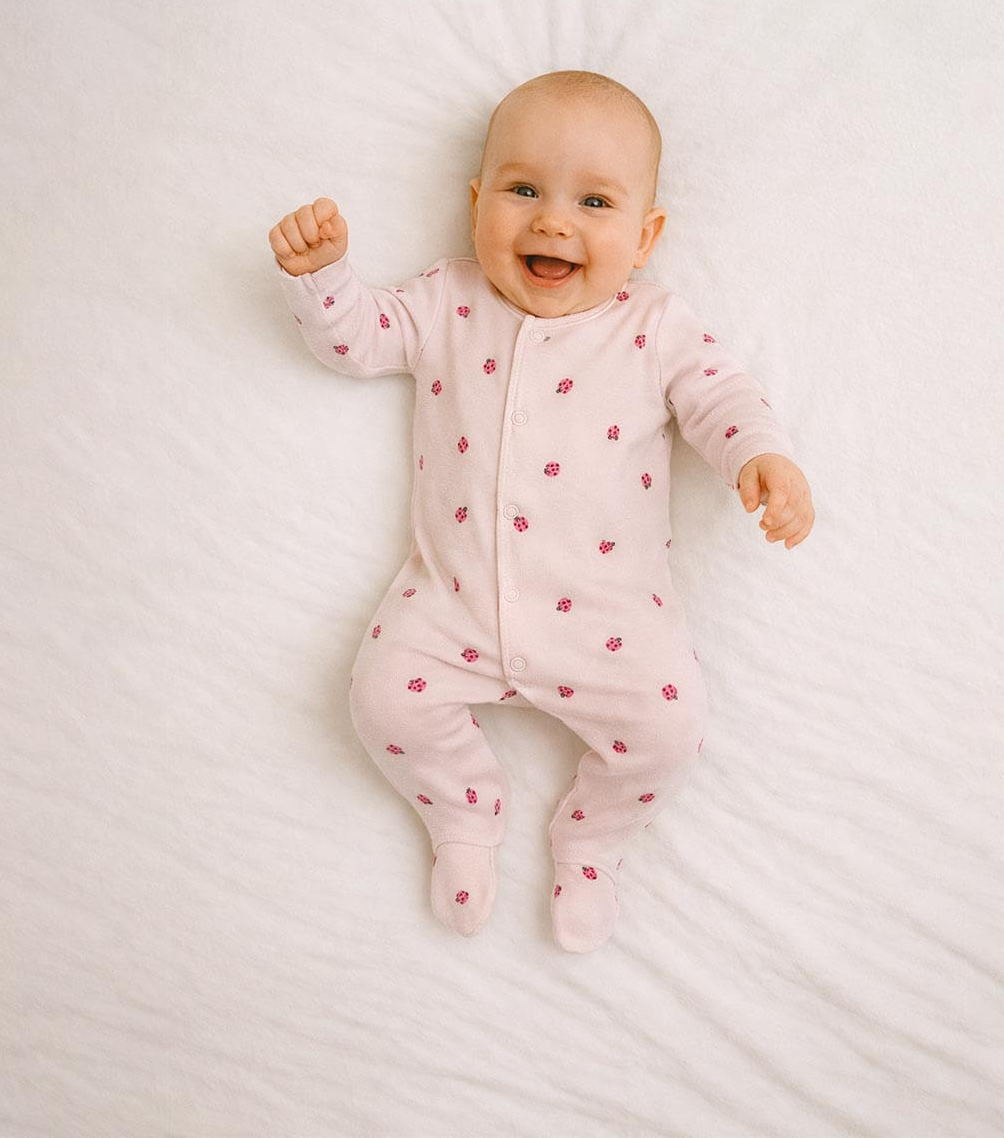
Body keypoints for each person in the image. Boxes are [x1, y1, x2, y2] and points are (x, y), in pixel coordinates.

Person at [268, 70, 815, 952]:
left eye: (594, 202)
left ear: (646, 236)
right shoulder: (446, 301)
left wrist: (763, 457)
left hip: (610, 621)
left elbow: (722, 398)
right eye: (522, 190)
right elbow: (358, 341)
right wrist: (323, 275)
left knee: (669, 731)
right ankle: (464, 811)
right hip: (451, 603)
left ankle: (592, 842)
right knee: (382, 702)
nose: (553, 221)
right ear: (476, 200)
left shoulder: (653, 328)